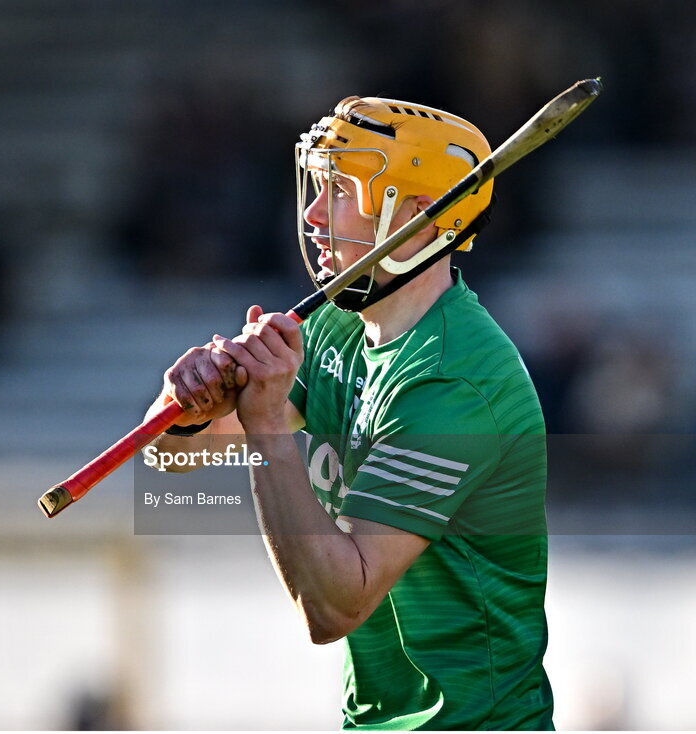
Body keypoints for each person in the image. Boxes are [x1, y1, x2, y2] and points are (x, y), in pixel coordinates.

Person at [146, 96, 553, 729]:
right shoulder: (339, 325)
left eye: (340, 190)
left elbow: (334, 607)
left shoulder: (453, 381)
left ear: (419, 215)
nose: (311, 214)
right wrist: (189, 401)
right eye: (318, 185)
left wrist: (267, 425)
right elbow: (173, 457)